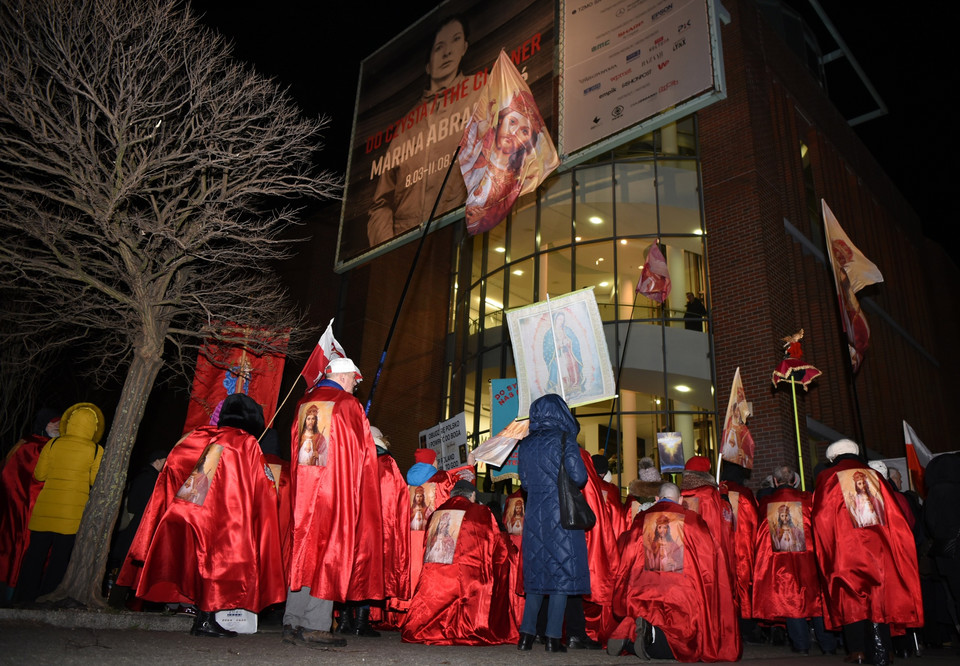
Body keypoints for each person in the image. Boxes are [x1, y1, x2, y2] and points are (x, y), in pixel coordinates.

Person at [117, 394, 284, 637]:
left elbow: (173, 464)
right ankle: (205, 619)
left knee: (196, 564)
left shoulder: (198, 435)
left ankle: (202, 618)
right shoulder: (244, 442)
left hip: (190, 512)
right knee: (217, 567)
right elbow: (262, 482)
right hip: (226, 516)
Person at [283, 357, 383, 648]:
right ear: (343, 376)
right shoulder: (348, 405)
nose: (356, 385)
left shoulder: (303, 403)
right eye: (354, 379)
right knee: (329, 552)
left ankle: (292, 620)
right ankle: (315, 625)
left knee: (303, 552)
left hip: (304, 493)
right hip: (333, 492)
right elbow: (361, 455)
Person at [813, 439, 922, 666]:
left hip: (846, 548)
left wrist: (827, 549)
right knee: (878, 595)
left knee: (850, 596)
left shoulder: (829, 477)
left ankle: (858, 651)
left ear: (833, 458)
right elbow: (895, 515)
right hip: (879, 548)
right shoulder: (875, 476)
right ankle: (883, 651)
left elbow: (821, 518)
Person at [367, 16, 471, 247]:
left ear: (464, 47)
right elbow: (380, 203)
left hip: (459, 240)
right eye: (438, 48)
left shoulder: (481, 92)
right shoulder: (405, 128)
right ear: (427, 65)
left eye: (455, 40)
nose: (447, 53)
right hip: (407, 249)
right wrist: (389, 248)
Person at [607, 482, 740, 661]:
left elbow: (627, 554)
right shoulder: (693, 520)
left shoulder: (641, 519)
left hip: (644, 593)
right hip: (682, 595)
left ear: (656, 499)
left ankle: (634, 633)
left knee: (647, 614)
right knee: (685, 643)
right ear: (680, 499)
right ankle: (650, 635)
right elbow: (709, 556)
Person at [516, 393, 590, 653]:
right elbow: (579, 477)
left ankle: (525, 636)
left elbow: (524, 483)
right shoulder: (564, 440)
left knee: (537, 574)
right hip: (561, 515)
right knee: (560, 574)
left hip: (535, 514)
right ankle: (552, 638)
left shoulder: (525, 444)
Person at [401, 480, 516, 645]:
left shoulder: (436, 513)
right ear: (473, 495)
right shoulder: (481, 512)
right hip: (467, 578)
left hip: (435, 580)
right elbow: (497, 542)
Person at [15, 403, 104, 604]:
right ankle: (48, 597)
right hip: (73, 515)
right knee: (59, 559)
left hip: (45, 510)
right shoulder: (96, 450)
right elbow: (94, 481)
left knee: (35, 556)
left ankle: (23, 598)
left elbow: (40, 474)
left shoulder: (53, 444)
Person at [753, 465, 836, 656]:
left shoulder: (766, 502)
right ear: (794, 481)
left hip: (782, 561)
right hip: (808, 559)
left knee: (791, 600)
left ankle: (801, 645)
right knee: (816, 599)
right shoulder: (808, 499)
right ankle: (828, 645)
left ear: (775, 481)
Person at [0, 409, 59, 599]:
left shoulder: (45, 446)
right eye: (52, 423)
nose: (57, 427)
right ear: (43, 424)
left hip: (33, 508)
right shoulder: (32, 446)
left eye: (59, 424)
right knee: (18, 546)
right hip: (22, 507)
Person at [541, 311, 584, 396]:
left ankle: (574, 386)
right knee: (562, 369)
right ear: (555, 320)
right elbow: (547, 348)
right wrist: (557, 345)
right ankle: (563, 388)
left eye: (562, 319)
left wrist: (568, 342)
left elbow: (574, 340)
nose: (561, 321)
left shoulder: (566, 330)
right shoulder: (550, 333)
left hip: (568, 353)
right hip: (558, 356)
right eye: (559, 319)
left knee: (572, 365)